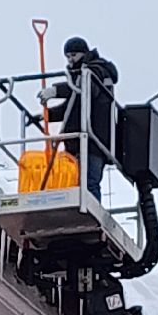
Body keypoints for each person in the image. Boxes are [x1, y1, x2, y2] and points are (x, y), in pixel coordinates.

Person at [41, 37, 119, 197]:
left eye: (74, 55)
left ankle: (92, 210)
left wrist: (56, 91)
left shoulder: (96, 69)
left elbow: (86, 87)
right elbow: (71, 107)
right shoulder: (78, 76)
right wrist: (47, 115)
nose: (70, 60)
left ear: (84, 53)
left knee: (89, 183)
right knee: (74, 182)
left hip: (93, 141)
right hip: (76, 142)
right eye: (67, 56)